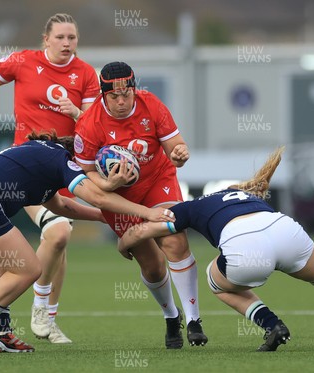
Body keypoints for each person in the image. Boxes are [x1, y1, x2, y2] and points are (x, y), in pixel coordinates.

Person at [117, 147, 314, 351]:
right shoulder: (247, 196)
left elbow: (143, 230)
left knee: (216, 282)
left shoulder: (192, 206)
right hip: (285, 231)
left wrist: (124, 244)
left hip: (245, 249)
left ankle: (272, 324)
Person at [0, 131, 175, 353]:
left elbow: (62, 206)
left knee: (4, 262)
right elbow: (96, 196)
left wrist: (104, 218)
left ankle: (1, 331)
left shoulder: (44, 159)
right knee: (30, 269)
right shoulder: (60, 157)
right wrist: (145, 212)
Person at [0, 13, 100, 343]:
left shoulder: (85, 73)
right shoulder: (23, 62)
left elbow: (92, 126)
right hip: (23, 170)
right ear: (46, 39)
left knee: (56, 243)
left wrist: (74, 111)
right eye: (60, 37)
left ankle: (37, 315)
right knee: (55, 234)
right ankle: (25, 314)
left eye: (72, 37)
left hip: (61, 168)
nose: (67, 43)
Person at [74, 61, 207, 349]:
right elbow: (88, 176)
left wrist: (180, 154)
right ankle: (172, 316)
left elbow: (176, 148)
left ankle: (195, 320)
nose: (122, 102)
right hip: (119, 196)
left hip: (158, 179)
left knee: (173, 239)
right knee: (152, 266)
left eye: (127, 95)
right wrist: (109, 184)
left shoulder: (152, 105)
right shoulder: (89, 124)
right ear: (102, 95)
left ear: (134, 89)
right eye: (114, 97)